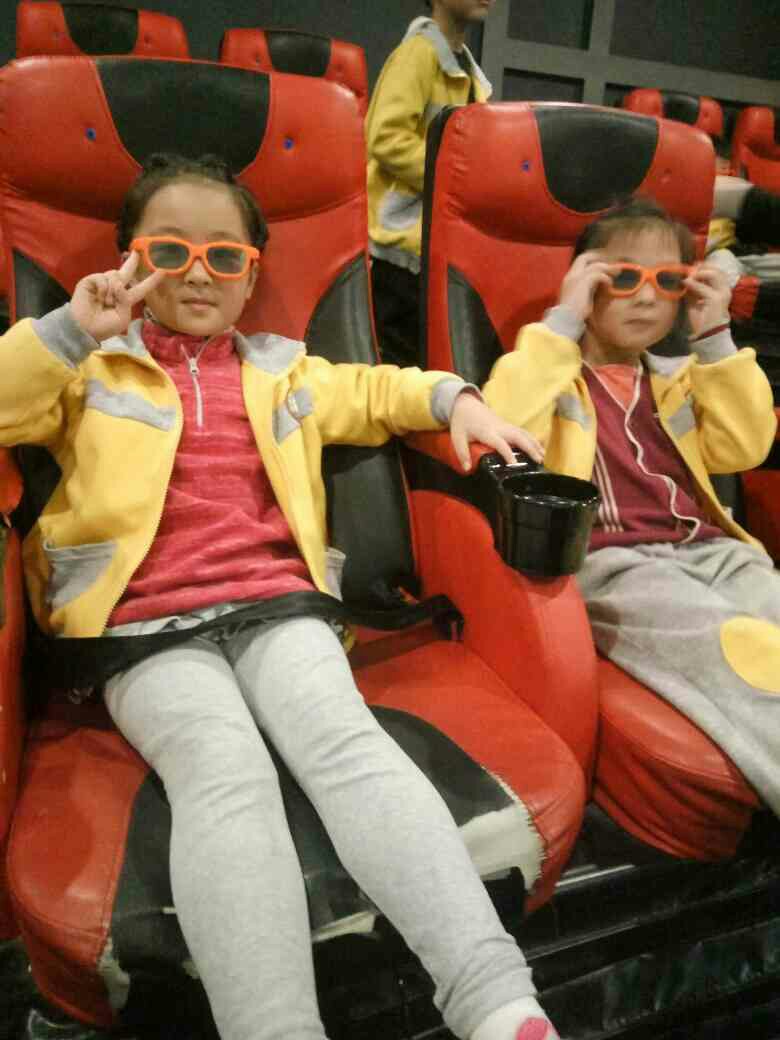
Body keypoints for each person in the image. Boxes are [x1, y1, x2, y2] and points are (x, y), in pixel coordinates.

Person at [0, 153, 561, 1040]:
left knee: (347, 744)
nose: (197, 274)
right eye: (169, 252)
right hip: (143, 628)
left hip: (277, 605)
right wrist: (74, 326)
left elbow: (379, 390)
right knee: (224, 771)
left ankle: (498, 1001)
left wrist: (458, 400)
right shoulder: (88, 367)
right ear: (128, 260)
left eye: (224, 256)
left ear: (253, 273)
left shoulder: (283, 370)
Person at [483, 196, 780, 820]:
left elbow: (745, 448)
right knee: (740, 648)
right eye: (623, 277)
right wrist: (562, 321)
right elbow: (503, 423)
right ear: (585, 282)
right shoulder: (554, 373)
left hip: (713, 551)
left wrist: (715, 336)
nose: (646, 297)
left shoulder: (679, 377)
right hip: (616, 563)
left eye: (667, 281)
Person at [366, 0, 494, 367]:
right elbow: (385, 138)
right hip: (398, 253)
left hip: (434, 247)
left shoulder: (469, 72)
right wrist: (455, 177)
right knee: (399, 367)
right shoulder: (418, 54)